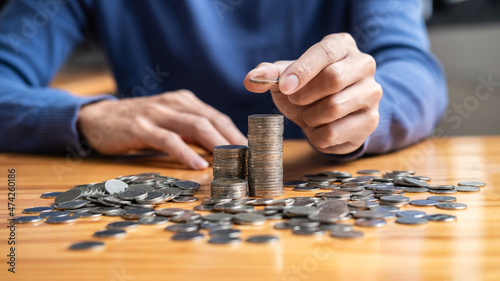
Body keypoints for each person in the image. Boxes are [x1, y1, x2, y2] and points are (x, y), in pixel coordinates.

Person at [0, 0, 447, 170]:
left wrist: (365, 111)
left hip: (324, 178)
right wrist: (89, 116)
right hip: (165, 190)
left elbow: (413, 68)